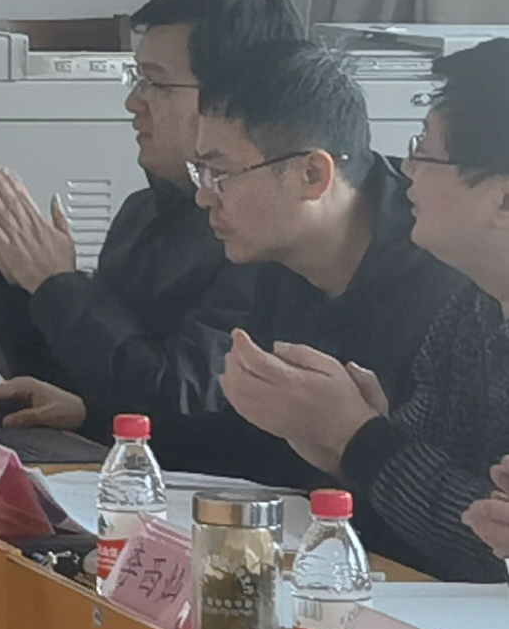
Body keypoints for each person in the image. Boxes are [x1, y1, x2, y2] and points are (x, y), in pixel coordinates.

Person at [0, 0, 307, 433]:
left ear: (233, 98)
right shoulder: (141, 213)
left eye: (155, 83)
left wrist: (58, 284)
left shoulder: (261, 235)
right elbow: (69, 383)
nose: (133, 102)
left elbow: (177, 399)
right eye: (136, 79)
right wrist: (23, 280)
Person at [216, 43, 509, 581]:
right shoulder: (474, 310)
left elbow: (486, 551)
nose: (407, 168)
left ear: (504, 200)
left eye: (426, 152)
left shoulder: (436, 291)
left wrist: (359, 437)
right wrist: (345, 442)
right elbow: (438, 491)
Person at [138, 39, 474, 488]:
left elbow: (444, 505)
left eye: (220, 174)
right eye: (201, 172)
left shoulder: (444, 283)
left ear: (312, 174)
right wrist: (94, 417)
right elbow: (257, 446)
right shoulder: (277, 258)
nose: (203, 196)